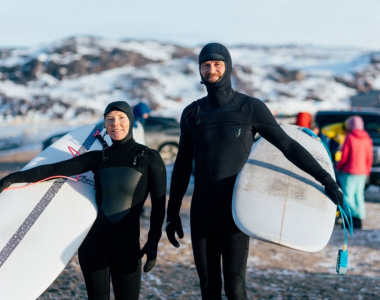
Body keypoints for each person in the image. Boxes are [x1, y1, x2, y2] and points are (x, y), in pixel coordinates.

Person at [165, 43, 343, 300]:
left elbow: (288, 146)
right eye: (206, 65)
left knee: (236, 288)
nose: (211, 69)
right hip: (202, 210)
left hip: (237, 212)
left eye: (217, 64)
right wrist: (173, 212)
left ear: (228, 67)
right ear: (200, 70)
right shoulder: (192, 113)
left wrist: (326, 179)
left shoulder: (249, 108)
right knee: (208, 287)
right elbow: (182, 165)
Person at [0, 101, 166, 300]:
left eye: (121, 118)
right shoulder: (98, 157)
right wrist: (12, 178)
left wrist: (153, 242)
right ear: (105, 124)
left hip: (127, 246)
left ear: (130, 120)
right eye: (110, 119)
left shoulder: (148, 157)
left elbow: (159, 204)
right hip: (93, 245)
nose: (116, 123)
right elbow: (54, 170)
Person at [336, 116, 373, 229]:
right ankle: (360, 217)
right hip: (362, 172)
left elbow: (344, 156)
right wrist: (367, 171)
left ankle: (351, 218)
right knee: (359, 196)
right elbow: (369, 158)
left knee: (348, 196)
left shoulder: (350, 137)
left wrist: (338, 167)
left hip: (349, 171)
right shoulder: (367, 138)